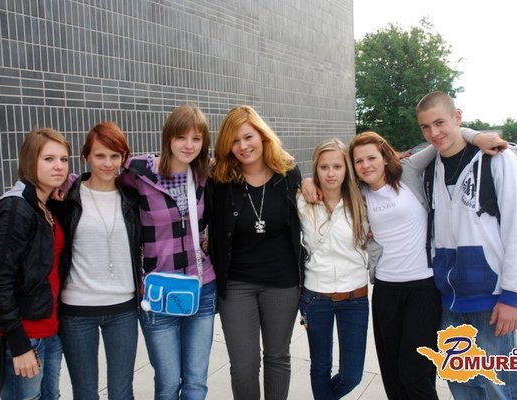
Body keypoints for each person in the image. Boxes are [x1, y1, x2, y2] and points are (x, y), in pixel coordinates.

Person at [302, 129, 506, 400]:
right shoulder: (359, 193)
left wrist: (475, 136)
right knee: (393, 374)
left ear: (385, 157)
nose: (366, 165)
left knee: (415, 372)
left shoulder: (408, 171)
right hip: (385, 289)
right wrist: (306, 179)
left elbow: (440, 140)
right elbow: (326, 181)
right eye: (359, 161)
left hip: (423, 287)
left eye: (372, 158)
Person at [416, 91, 517, 399]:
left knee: (499, 387)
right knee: (462, 384)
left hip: (491, 299)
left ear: (457, 117)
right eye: (426, 127)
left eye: (440, 122)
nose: (434, 133)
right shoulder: (430, 168)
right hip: (448, 300)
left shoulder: (497, 158)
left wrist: (512, 296)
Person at [206, 105, 304, 400]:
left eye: (248, 137)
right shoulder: (220, 180)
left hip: (282, 282)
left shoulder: (288, 174)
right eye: (234, 141)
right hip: (237, 283)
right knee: (243, 365)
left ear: (262, 136)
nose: (243, 146)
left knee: (277, 357)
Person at [122, 104, 216, 400]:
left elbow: (254, 162)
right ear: (168, 138)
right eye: (181, 137)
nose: (189, 145)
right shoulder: (139, 172)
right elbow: (97, 179)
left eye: (196, 139)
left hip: (201, 287)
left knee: (196, 382)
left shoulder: (205, 173)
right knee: (167, 382)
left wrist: (298, 174)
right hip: (158, 290)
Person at [53, 122, 142, 399]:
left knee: (121, 392)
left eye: (115, 156)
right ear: (87, 157)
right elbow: (35, 225)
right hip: (77, 309)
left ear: (124, 158)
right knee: (85, 392)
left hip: (123, 309)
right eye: (100, 155)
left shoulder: (133, 198)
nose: (108, 163)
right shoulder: (67, 197)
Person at [0, 128, 69, 400]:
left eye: (64, 159)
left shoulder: (44, 205)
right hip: (23, 336)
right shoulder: (15, 208)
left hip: (48, 330)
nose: (59, 166)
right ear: (30, 161)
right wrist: (19, 346)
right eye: (49, 159)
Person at [297, 138, 369, 400]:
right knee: (320, 366)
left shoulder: (361, 199)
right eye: (324, 167)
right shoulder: (302, 200)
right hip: (316, 297)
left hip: (355, 298)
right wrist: (304, 182)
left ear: (346, 168)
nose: (330, 173)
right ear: (315, 168)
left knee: (352, 375)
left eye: (337, 166)